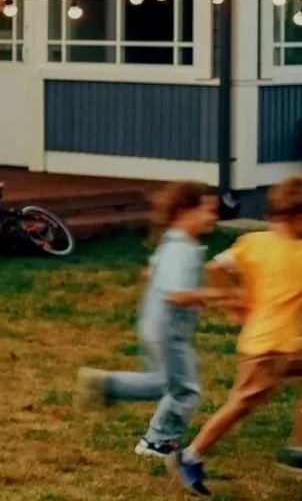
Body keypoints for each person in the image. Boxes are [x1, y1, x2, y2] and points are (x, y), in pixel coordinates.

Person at [174, 175, 302, 495]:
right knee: (242, 402)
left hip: (287, 343)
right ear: (300, 217)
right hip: (271, 348)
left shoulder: (252, 242)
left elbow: (215, 267)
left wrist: (231, 303)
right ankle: (190, 455)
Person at [76, 182, 227, 459]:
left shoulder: (173, 241)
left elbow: (150, 273)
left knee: (162, 382)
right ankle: (157, 441)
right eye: (208, 211)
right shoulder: (181, 248)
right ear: (184, 211)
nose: (213, 217)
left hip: (155, 324)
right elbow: (177, 294)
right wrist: (213, 293)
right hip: (169, 330)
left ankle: (106, 384)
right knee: (185, 390)